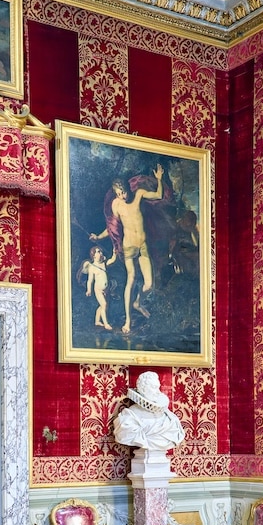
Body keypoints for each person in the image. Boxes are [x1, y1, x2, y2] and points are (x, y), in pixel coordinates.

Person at [90, 163, 165, 334]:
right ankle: (128, 321)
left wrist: (159, 179)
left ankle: (137, 302)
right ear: (115, 194)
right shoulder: (116, 205)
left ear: (128, 188)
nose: (123, 196)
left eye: (124, 192)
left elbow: (159, 194)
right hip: (129, 248)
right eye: (119, 193)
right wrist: (98, 237)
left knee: (149, 284)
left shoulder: (138, 194)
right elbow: (112, 228)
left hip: (143, 246)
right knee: (130, 280)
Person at [113, 371, 185, 453]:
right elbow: (124, 434)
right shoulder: (129, 416)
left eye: (158, 387)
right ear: (143, 389)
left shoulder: (169, 417)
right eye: (154, 387)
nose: (158, 392)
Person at [79, 245, 111, 330]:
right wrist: (89, 290)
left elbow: (112, 261)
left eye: (101, 251)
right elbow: (90, 281)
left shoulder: (103, 264)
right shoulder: (92, 267)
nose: (100, 253)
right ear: (93, 255)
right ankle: (106, 324)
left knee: (103, 306)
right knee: (104, 304)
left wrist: (115, 254)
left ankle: (97, 321)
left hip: (106, 289)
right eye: (98, 252)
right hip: (98, 290)